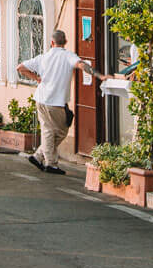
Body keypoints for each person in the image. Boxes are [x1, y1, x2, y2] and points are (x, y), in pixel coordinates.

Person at [17, 29, 103, 175]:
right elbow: (82, 65)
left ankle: (38, 156)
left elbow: (20, 68)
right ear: (66, 42)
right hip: (54, 101)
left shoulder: (43, 57)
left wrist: (36, 78)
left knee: (54, 130)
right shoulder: (68, 56)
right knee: (55, 131)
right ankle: (51, 163)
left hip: (41, 98)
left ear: (52, 42)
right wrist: (99, 75)